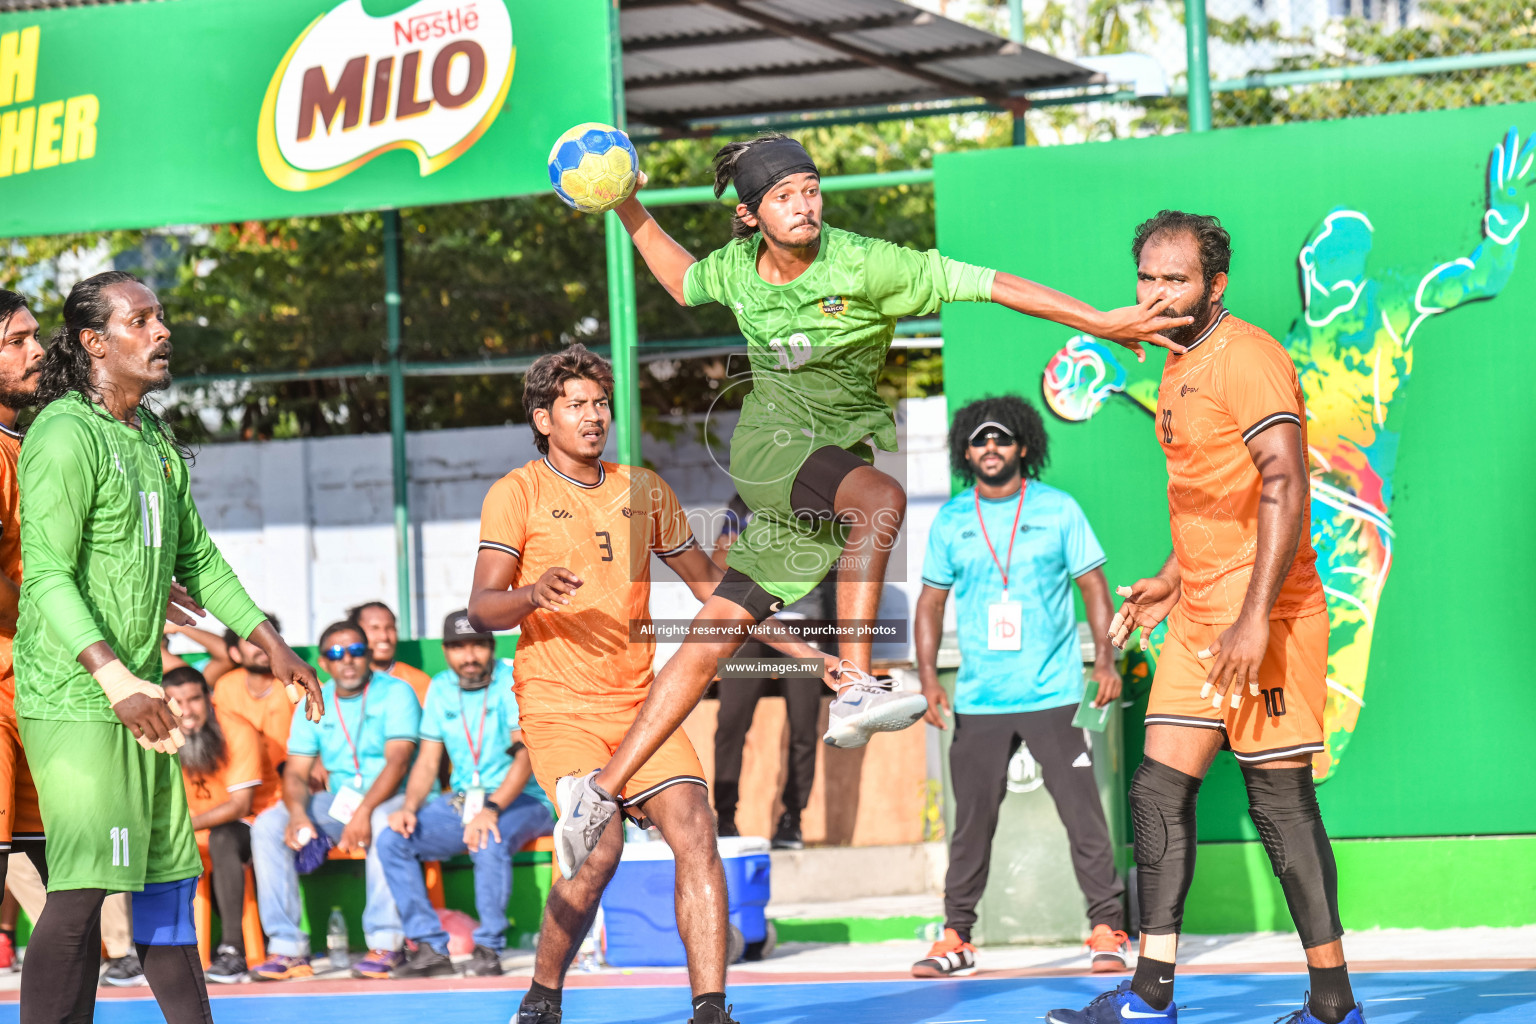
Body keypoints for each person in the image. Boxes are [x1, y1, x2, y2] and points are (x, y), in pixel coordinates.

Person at [552, 132, 1190, 878]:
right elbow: (681, 276)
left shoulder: (864, 262)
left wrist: (1099, 322)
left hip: (827, 467)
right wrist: (627, 203)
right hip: (771, 447)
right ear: (753, 213)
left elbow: (989, 283)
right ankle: (856, 683)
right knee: (882, 498)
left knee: (713, 635)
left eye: (812, 188)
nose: (805, 205)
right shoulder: (736, 270)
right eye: (786, 196)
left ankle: (597, 792)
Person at [1048, 213, 1363, 1024]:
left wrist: (1254, 618)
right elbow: (1215, 497)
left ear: (1214, 286)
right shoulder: (1176, 358)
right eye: (1147, 280)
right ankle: (1151, 994)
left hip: (1270, 613)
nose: (1155, 296)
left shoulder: (1247, 358)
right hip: (1195, 612)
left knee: (1278, 803)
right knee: (1156, 793)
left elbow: (1284, 483)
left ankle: (1333, 1003)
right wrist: (1165, 578)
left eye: (1175, 281)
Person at [467, 346, 828, 1024]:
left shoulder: (644, 490)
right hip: (559, 707)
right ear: (544, 419)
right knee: (597, 848)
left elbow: (715, 593)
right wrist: (532, 593)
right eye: (576, 404)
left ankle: (711, 1009)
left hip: (640, 704)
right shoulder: (517, 493)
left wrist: (810, 654)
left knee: (696, 825)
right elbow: (482, 609)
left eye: (601, 403)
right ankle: (544, 995)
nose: (593, 415)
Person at [14, 271, 322, 1024]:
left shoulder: (151, 436)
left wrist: (267, 639)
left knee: (165, 887)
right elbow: (47, 577)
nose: (162, 332)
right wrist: (116, 677)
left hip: (142, 696)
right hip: (77, 697)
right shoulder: (61, 434)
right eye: (141, 320)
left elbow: (201, 560)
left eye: (162, 318)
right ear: (94, 342)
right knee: (83, 889)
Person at [911, 396, 1127, 978]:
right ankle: (956, 937)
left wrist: (1104, 662)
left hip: (1056, 692)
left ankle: (1106, 926)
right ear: (966, 452)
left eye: (1001, 439)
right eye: (979, 441)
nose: (990, 449)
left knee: (1083, 816)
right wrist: (929, 679)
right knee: (971, 826)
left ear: (1023, 447)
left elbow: (1095, 589)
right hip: (981, 699)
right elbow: (930, 603)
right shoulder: (953, 520)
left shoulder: (1058, 510)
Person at [377, 609, 554, 978]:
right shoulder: (441, 688)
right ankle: (429, 946)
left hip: (523, 799)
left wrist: (491, 808)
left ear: (491, 646)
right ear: (446, 650)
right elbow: (427, 761)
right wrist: (410, 807)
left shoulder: (510, 682)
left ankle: (489, 947)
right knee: (394, 839)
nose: (469, 656)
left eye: (477, 645)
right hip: (464, 800)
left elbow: (524, 757)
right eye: (459, 647)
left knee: (487, 838)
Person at [249, 620, 419, 982]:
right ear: (323, 662)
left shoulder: (396, 692)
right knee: (267, 826)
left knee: (381, 824)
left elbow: (399, 761)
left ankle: (387, 942)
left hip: (394, 797)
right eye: (336, 653)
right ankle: (287, 948)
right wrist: (297, 814)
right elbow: (295, 773)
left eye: (356, 650)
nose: (348, 660)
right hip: (340, 802)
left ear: (368, 655)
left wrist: (365, 810)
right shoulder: (315, 698)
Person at [710, 495, 831, 849]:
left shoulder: (820, 497)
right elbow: (718, 561)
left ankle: (793, 819)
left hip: (804, 623)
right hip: (750, 620)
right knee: (731, 720)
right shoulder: (741, 501)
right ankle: (725, 818)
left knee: (804, 726)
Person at [163, 665, 278, 984]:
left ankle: (233, 950)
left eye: (194, 699)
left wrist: (184, 826)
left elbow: (240, 805)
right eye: (176, 702)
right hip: (194, 830)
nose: (186, 710)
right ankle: (145, 954)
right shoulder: (161, 734)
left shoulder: (237, 729)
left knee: (223, 838)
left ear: (209, 698)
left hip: (253, 824)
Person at [351, 601, 432, 703]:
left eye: (390, 628)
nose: (384, 636)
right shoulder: (344, 681)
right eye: (374, 628)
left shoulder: (418, 682)